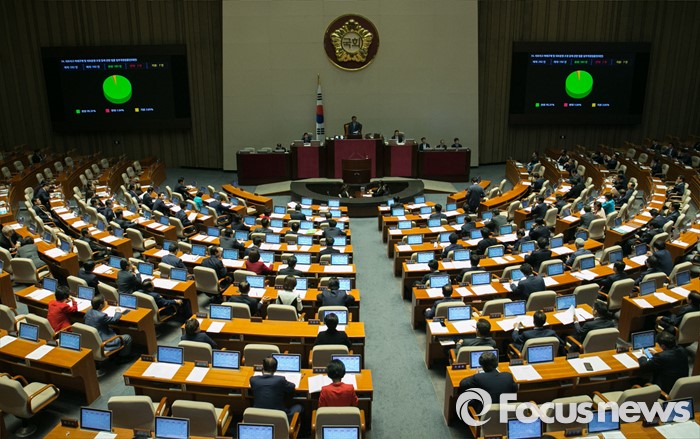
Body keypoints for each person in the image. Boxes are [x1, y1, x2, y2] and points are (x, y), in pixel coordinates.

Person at [249, 356, 303, 421]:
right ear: (275, 369)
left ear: (262, 367)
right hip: (280, 417)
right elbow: (292, 387)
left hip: (259, 416)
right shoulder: (280, 380)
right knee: (299, 406)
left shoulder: (253, 380)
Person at [85, 294, 132, 360]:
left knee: (115, 329)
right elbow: (115, 320)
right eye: (104, 301)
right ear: (101, 305)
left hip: (94, 340)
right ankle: (123, 358)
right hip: (104, 342)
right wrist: (118, 312)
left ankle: (115, 354)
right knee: (128, 337)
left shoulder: (88, 311)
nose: (105, 302)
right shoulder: (101, 316)